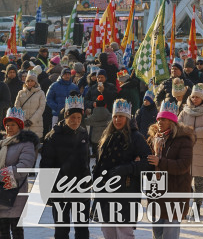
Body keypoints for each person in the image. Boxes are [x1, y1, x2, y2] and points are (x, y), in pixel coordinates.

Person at [93, 99, 152, 238]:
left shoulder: (136, 137)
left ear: (127, 118)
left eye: (121, 117)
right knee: (107, 230)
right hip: (106, 190)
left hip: (126, 190)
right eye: (115, 116)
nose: (117, 120)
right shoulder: (107, 136)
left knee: (124, 231)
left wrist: (128, 168)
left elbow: (148, 162)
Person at [40, 96, 90, 239]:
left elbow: (86, 160)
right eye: (72, 117)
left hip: (81, 189)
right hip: (61, 189)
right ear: (66, 117)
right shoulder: (53, 136)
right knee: (62, 230)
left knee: (82, 229)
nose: (76, 121)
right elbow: (46, 165)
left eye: (79, 117)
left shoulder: (83, 133)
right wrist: (47, 191)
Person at [147, 100, 195, 239]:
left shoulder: (183, 140)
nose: (160, 122)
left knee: (170, 234)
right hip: (156, 192)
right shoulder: (153, 139)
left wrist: (160, 162)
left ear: (172, 122)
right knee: (157, 233)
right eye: (159, 119)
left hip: (175, 192)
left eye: (164, 119)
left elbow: (184, 165)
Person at [177, 82, 203, 216]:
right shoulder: (184, 111)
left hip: (202, 151)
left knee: (200, 182)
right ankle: (186, 204)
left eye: (198, 97)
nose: (195, 99)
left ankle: (197, 206)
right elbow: (178, 126)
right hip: (186, 150)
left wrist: (195, 132)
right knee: (185, 180)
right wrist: (186, 132)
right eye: (193, 97)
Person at [0, 107, 39, 239]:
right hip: (2, 192)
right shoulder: (2, 143)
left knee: (16, 229)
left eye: (13, 125)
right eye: (7, 125)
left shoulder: (26, 144)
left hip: (16, 193)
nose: (9, 128)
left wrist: (2, 174)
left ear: (20, 126)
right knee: (2, 230)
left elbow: (25, 167)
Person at [14, 70, 45, 141]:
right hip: (23, 123)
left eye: (32, 81)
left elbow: (41, 107)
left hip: (36, 124)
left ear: (35, 82)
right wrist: (23, 120)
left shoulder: (40, 93)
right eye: (28, 81)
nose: (30, 83)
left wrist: (32, 120)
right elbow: (17, 106)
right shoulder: (21, 93)